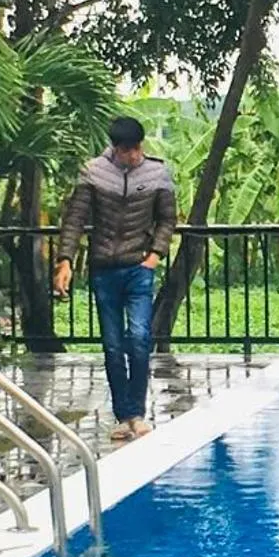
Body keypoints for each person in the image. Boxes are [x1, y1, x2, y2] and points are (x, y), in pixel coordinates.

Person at [53, 117, 178, 440]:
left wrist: (155, 256)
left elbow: (167, 218)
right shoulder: (93, 172)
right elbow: (75, 219)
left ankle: (137, 412)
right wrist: (65, 260)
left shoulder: (157, 172)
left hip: (139, 268)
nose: (133, 155)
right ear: (115, 148)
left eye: (137, 148)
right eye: (127, 150)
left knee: (138, 339)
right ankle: (123, 416)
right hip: (103, 269)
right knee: (112, 345)